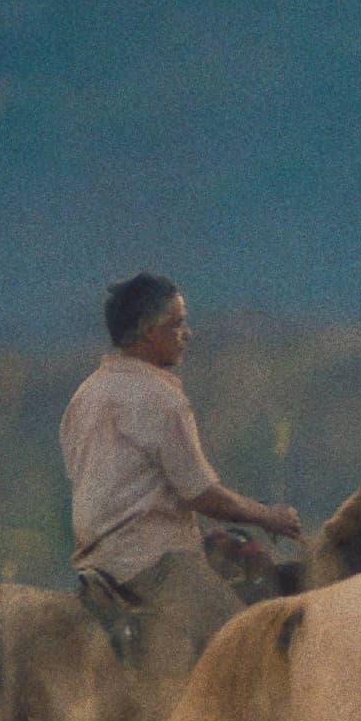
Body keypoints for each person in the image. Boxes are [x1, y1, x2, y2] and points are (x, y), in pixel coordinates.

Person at [60, 272, 301, 674]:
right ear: (145, 332)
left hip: (96, 561)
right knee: (245, 647)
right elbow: (200, 494)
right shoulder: (159, 397)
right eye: (175, 323)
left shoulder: (85, 395)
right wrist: (268, 515)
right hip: (151, 560)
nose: (186, 333)